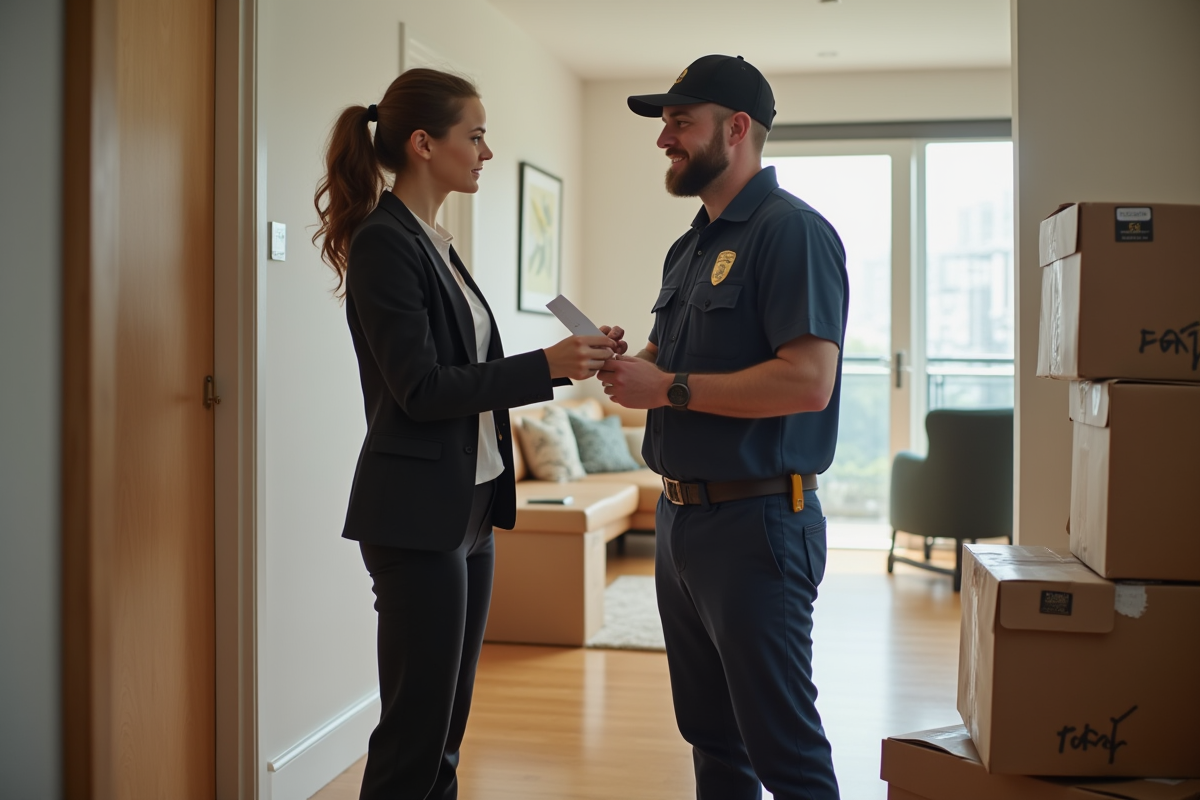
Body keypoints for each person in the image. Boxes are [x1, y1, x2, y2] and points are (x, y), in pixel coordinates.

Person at [312, 68, 614, 800]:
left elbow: (462, 369)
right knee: (414, 735)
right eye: (474, 135)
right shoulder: (387, 243)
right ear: (423, 143)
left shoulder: (433, 243)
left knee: (445, 733)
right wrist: (545, 365)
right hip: (417, 518)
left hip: (470, 509)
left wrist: (564, 360)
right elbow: (419, 389)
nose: (485, 151)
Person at [597, 54, 848, 800]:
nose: (663, 139)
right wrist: (628, 365)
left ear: (736, 129)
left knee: (785, 753)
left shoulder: (793, 233)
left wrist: (666, 386)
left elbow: (807, 382)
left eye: (680, 122)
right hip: (681, 522)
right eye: (665, 123)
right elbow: (670, 365)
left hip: (758, 523)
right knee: (712, 737)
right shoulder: (690, 245)